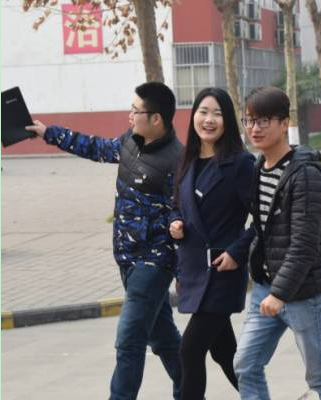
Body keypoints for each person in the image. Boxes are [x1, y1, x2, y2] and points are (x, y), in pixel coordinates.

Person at [26, 82, 183, 400]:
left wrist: (180, 239)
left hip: (154, 262)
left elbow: (185, 212)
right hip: (127, 258)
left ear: (156, 119)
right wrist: (49, 133)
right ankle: (191, 391)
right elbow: (96, 147)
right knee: (163, 338)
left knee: (129, 340)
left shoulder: (177, 161)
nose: (130, 115)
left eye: (136, 110)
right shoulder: (130, 141)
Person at [233, 86, 321, 400]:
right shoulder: (259, 167)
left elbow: (305, 244)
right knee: (245, 364)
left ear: (285, 124)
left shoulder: (306, 174)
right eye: (249, 120)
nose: (255, 128)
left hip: (305, 293)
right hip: (266, 288)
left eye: (263, 120)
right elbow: (261, 228)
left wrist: (280, 294)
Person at [168, 87, 255, 399]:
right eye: (203, 112)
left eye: (217, 114)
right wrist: (174, 223)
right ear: (193, 117)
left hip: (222, 272)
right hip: (193, 271)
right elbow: (177, 205)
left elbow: (263, 219)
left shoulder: (241, 163)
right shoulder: (187, 160)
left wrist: (237, 252)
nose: (209, 120)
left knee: (189, 350)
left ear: (227, 120)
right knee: (225, 353)